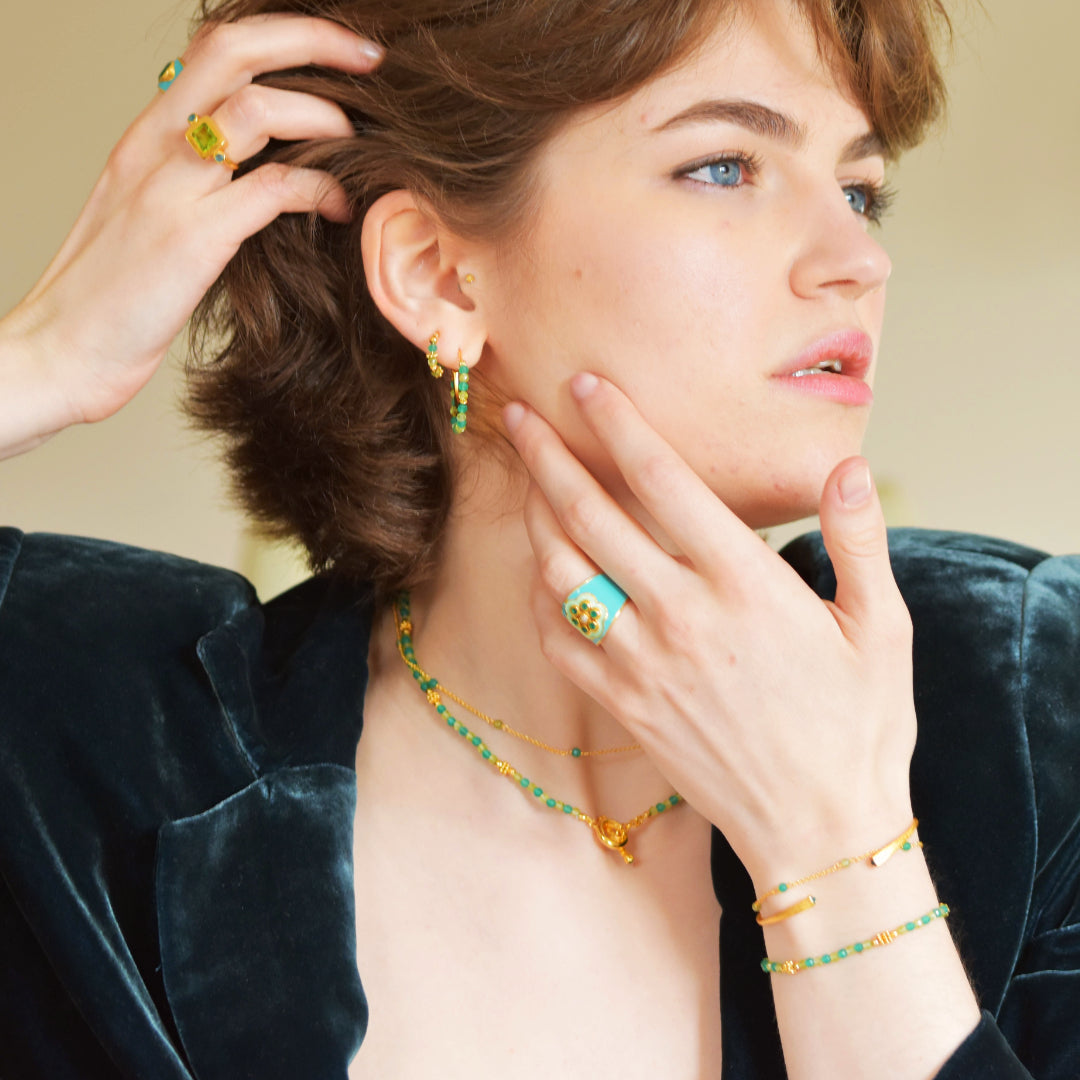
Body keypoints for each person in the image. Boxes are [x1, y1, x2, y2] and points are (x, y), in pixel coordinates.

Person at [0, 0, 1077, 1077]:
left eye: (858, 191)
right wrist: (42, 360)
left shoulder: (1026, 714)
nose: (857, 259)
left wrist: (837, 847)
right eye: (724, 167)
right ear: (436, 273)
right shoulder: (102, 750)